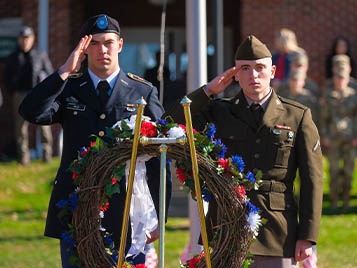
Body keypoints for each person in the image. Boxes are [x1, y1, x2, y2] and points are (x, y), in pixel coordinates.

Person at [19, 14, 171, 267]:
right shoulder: (69, 88)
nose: (103, 50)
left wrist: (159, 215)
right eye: (95, 43)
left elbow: (160, 155)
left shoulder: (142, 91)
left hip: (127, 211)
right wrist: (64, 72)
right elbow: (30, 111)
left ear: (120, 45)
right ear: (84, 48)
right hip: (76, 207)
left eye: (109, 42)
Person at [167, 35, 323, 268]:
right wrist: (209, 90)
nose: (253, 75)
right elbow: (170, 122)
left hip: (278, 230)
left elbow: (312, 179)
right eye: (245, 69)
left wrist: (307, 235)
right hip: (227, 225)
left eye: (260, 68)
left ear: (272, 71)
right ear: (235, 75)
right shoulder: (219, 111)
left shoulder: (297, 115)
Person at [3, 26, 53, 165]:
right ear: (19, 40)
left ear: (32, 39)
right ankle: (23, 158)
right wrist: (12, 90)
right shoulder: (13, 57)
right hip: (20, 94)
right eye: (22, 39)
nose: (25, 41)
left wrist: (44, 87)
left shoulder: (40, 55)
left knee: (44, 125)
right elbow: (6, 77)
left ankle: (46, 154)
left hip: (38, 94)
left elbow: (49, 73)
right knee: (21, 127)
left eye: (27, 38)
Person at [319, 63, 357, 210]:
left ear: (347, 79)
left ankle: (346, 200)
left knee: (348, 171)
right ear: (334, 79)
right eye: (338, 78)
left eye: (343, 78)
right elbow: (323, 119)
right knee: (333, 171)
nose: (340, 80)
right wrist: (325, 136)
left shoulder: (354, 96)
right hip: (333, 138)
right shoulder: (328, 96)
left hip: (349, 138)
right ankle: (334, 201)